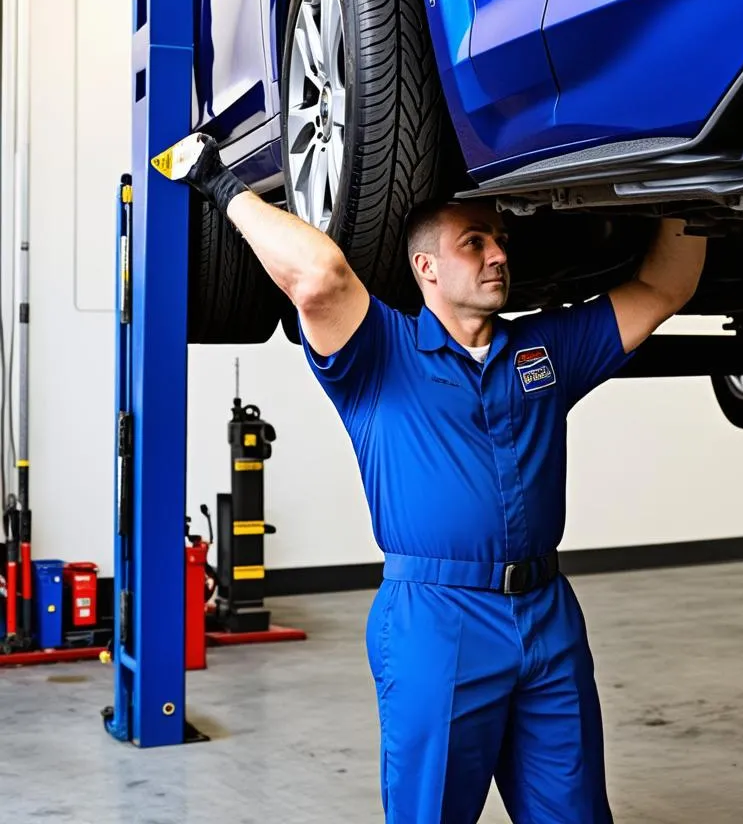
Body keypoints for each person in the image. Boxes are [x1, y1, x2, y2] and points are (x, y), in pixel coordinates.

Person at [179, 137, 707, 823]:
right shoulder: (379, 353)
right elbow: (317, 278)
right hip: (438, 617)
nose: (499, 254)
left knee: (575, 813)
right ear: (426, 267)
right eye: (475, 242)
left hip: (547, 614)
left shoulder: (542, 350)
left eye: (500, 239)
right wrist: (220, 184)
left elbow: (665, 289)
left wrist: (690, 177)